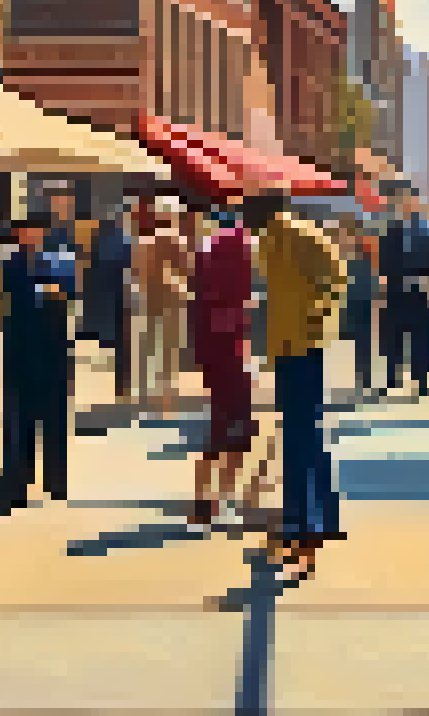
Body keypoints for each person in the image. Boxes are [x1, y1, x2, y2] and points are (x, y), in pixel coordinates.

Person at [250, 191, 348, 583]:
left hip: (297, 345)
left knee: (297, 440)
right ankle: (324, 519)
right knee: (308, 435)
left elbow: (333, 279)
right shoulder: (287, 236)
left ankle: (299, 529)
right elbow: (334, 278)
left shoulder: (286, 236)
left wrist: (310, 316)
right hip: (300, 343)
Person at [0, 211, 77, 512]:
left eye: (33, 230)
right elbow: (1, 297)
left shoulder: (62, 259)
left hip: (53, 350)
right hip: (19, 349)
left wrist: (46, 293)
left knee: (55, 417)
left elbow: (69, 292)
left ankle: (56, 481)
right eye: (23, 231)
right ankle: (18, 483)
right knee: (19, 420)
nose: (28, 235)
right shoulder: (9, 264)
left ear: (43, 232)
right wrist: (44, 292)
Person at [188, 201, 258, 530]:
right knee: (237, 431)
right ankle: (224, 500)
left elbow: (197, 302)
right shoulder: (241, 246)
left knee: (218, 429)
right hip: (232, 349)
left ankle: (204, 503)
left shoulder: (207, 249)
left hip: (213, 350)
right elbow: (245, 296)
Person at [377, 185, 429, 397]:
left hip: (420, 289)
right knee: (392, 336)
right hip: (395, 289)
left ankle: (422, 381)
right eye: (401, 200)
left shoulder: (428, 230)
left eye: (408, 200)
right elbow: (383, 261)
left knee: (421, 337)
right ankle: (391, 378)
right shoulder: (390, 230)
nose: (404, 204)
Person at [133, 195, 193, 415]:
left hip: (148, 299)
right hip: (171, 300)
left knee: (150, 348)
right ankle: (167, 398)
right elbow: (187, 270)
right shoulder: (175, 240)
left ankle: (147, 395)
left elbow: (137, 273)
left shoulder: (144, 242)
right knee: (169, 351)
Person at [83, 197, 135, 403]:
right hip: (121, 300)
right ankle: (123, 387)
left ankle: (122, 387)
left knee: (120, 347)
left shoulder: (101, 242)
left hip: (110, 301)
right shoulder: (124, 241)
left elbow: (92, 275)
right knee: (125, 347)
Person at [339, 223, 378, 403]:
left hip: (360, 301)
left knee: (361, 341)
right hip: (358, 301)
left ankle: (364, 380)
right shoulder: (356, 257)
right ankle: (363, 380)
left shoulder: (359, 257)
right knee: (360, 342)